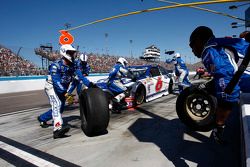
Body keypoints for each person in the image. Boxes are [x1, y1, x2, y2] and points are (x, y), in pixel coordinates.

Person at [189, 26, 250, 144]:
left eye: (192, 45)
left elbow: (228, 89)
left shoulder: (210, 50)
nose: (192, 50)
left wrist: (219, 124)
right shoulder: (220, 44)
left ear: (199, 40)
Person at [37, 44, 76, 139]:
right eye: (70, 53)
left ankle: (42, 118)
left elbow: (75, 78)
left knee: (60, 108)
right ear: (64, 52)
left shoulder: (72, 66)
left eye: (72, 53)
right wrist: (66, 93)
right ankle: (57, 130)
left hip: (61, 88)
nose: (72, 55)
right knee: (57, 105)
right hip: (51, 87)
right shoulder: (55, 65)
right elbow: (56, 82)